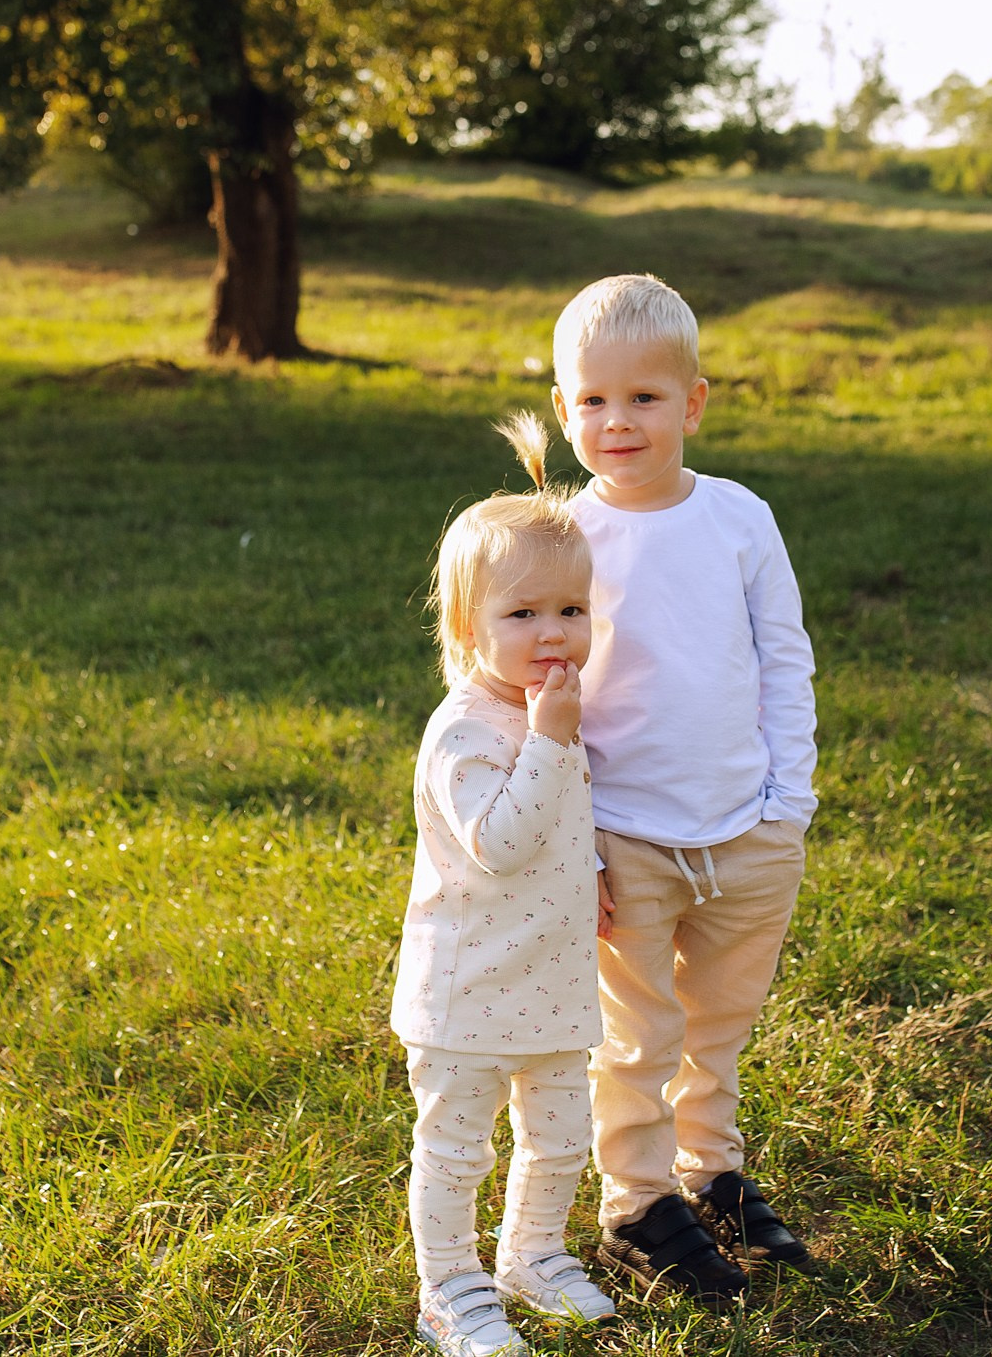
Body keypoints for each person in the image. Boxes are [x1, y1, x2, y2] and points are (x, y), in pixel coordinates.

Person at [551, 273, 819, 1304]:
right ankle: (634, 1198)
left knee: (718, 1019)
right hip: (624, 833)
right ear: (565, 405)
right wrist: (576, 837)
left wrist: (785, 803)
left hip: (746, 824)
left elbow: (783, 657)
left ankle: (711, 1169)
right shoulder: (565, 535)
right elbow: (533, 688)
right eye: (590, 399)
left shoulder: (740, 518)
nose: (615, 420)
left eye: (644, 397)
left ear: (693, 401)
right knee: (638, 1029)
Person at [392, 412, 622, 1357]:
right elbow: (502, 840)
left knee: (563, 1134)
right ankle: (449, 1287)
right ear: (466, 626)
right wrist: (551, 736)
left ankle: (532, 1252)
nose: (551, 632)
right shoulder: (468, 731)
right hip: (468, 991)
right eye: (521, 614)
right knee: (456, 1150)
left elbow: (570, 817)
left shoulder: (547, 710)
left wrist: (598, 871)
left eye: (570, 610)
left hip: (555, 979)